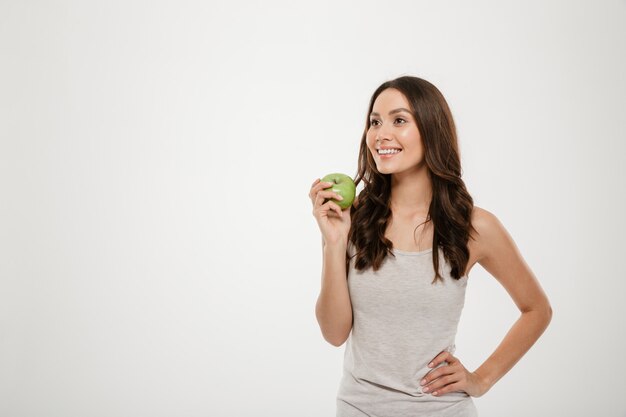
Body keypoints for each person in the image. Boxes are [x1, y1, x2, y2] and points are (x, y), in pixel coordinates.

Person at [308, 75, 553, 416]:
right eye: (374, 122)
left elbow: (537, 309)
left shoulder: (474, 226)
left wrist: (481, 380)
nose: (381, 134)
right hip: (358, 407)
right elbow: (334, 334)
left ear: (430, 129)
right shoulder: (353, 216)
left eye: (399, 120)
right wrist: (333, 243)